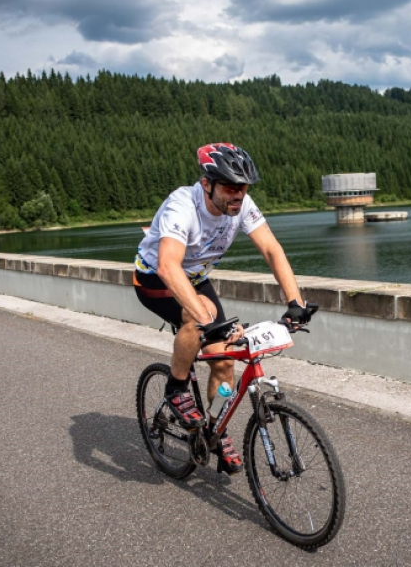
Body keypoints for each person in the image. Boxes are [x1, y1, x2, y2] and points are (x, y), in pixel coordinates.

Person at [133, 142, 313, 475]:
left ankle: (213, 430)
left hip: (196, 278)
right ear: (207, 183)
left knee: (225, 361)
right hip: (155, 279)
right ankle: (175, 387)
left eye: (243, 188)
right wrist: (206, 318)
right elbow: (168, 266)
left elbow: (272, 249)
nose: (239, 195)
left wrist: (295, 303)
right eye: (231, 187)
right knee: (201, 317)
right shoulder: (181, 206)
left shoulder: (241, 204)